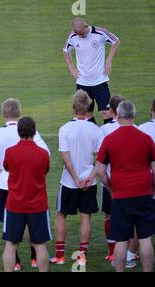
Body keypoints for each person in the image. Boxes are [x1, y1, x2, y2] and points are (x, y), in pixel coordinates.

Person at [0, 98, 50, 270]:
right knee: (40, 242)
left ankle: (16, 262)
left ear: (4, 114)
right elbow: (46, 156)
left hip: (7, 188)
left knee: (10, 237)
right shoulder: (36, 141)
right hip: (33, 193)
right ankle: (33, 258)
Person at [88, 101, 155, 272]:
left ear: (117, 116)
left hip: (121, 194)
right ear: (134, 115)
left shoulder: (110, 139)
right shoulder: (146, 138)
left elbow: (101, 171)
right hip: (144, 192)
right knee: (145, 238)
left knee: (121, 240)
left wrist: (111, 189)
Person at [50, 90, 102, 266]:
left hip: (68, 182)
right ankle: (81, 257)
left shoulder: (64, 129)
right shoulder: (96, 130)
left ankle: (60, 255)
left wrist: (75, 178)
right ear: (88, 108)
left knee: (61, 215)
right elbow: (100, 159)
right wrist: (89, 177)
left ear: (73, 107)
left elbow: (66, 157)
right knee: (86, 216)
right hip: (90, 181)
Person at [2, 117, 51, 272]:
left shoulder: (10, 152)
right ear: (34, 131)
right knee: (40, 244)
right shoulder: (43, 154)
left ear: (19, 131)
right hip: (38, 206)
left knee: (10, 244)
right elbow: (45, 171)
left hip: (15, 205)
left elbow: (7, 168)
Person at [63, 17, 120, 125]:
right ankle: (94, 138)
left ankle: (106, 138)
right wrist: (71, 67)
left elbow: (116, 41)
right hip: (82, 82)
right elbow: (65, 51)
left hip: (100, 80)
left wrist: (108, 61)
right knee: (86, 115)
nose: (80, 36)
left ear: (86, 26)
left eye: (81, 33)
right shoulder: (73, 36)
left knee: (107, 112)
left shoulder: (100, 33)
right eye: (77, 34)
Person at [98, 95, 125, 263]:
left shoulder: (105, 130)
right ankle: (130, 251)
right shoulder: (135, 127)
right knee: (129, 215)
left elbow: (101, 156)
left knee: (109, 216)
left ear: (113, 111)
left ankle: (112, 252)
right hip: (128, 180)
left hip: (109, 179)